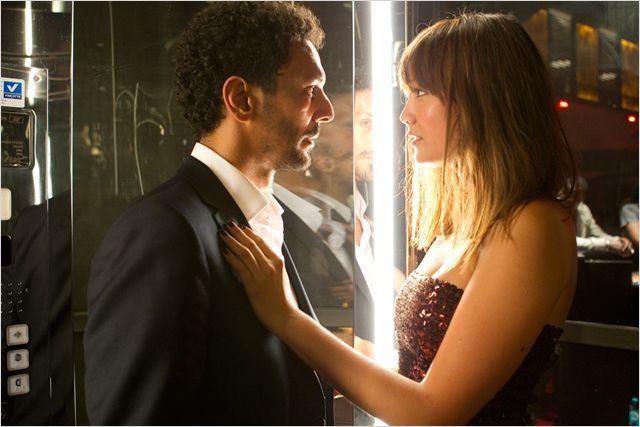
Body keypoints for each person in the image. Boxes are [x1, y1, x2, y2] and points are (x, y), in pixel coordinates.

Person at [220, 12, 579, 425]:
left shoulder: (534, 226)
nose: (405, 114)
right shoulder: (465, 227)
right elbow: (419, 371)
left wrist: (287, 318)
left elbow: (433, 411)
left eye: (421, 91)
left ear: (483, 98)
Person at [83, 3, 335, 425]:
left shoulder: (261, 217)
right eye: (309, 90)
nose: (327, 110)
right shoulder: (162, 231)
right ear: (241, 99)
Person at [574, 176, 634, 257]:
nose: (578, 197)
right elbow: (570, 241)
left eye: (581, 194)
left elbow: (597, 232)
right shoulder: (558, 212)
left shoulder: (583, 209)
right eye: (575, 194)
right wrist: (606, 243)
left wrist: (618, 240)